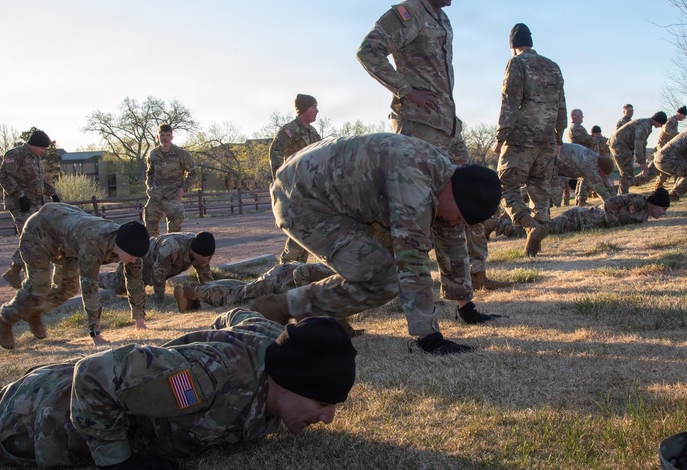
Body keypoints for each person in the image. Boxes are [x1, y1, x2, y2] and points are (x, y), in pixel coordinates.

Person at [0, 309, 356, 470]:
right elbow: (93, 375)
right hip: (48, 418)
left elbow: (239, 317)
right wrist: (116, 460)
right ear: (284, 383)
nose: (329, 418)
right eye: (320, 404)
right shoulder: (206, 380)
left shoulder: (274, 346)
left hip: (53, 387)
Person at [255, 133, 502, 355]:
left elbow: (452, 241)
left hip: (331, 194)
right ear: (452, 196)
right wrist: (429, 337)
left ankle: (310, 289)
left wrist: (466, 307)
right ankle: (285, 306)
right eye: (459, 217)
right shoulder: (414, 185)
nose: (456, 223)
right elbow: (412, 261)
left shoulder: (445, 176)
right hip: (300, 200)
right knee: (384, 278)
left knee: (377, 261)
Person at [356, 0, 503, 290]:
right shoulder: (407, 14)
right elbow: (368, 51)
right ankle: (378, 282)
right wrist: (406, 91)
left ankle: (471, 278)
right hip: (419, 128)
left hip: (448, 127)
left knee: (468, 199)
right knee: (420, 211)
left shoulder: (441, 19)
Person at [0, 203, 151, 350]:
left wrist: (139, 319)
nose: (134, 260)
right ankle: (4, 319)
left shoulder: (132, 246)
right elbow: (89, 289)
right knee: (38, 289)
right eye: (131, 256)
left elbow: (135, 281)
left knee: (68, 289)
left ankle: (33, 310)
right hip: (39, 232)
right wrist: (95, 333)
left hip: (68, 245)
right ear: (120, 246)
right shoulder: (93, 244)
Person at [493, 23, 567, 244]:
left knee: (506, 187)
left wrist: (500, 137)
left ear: (513, 46)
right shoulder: (553, 66)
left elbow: (510, 102)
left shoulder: (516, 63)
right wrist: (559, 138)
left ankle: (529, 226)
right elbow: (561, 106)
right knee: (540, 189)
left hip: (520, 140)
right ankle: (540, 232)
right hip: (547, 140)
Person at [0, 130, 59, 289]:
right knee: (30, 238)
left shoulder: (36, 158)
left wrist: (53, 193)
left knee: (37, 238)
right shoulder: (15, 155)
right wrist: (20, 196)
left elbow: (39, 181)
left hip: (36, 204)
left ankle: (16, 271)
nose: (44, 152)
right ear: (34, 145)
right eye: (42, 148)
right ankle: (25, 276)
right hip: (21, 205)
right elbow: (4, 177)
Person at [268, 94, 322, 264]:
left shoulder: (312, 132)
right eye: (313, 107)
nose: (317, 111)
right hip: (295, 186)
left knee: (308, 229)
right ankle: (286, 267)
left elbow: (321, 155)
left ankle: (296, 268)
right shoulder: (290, 130)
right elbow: (275, 151)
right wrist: (280, 180)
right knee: (301, 227)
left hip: (310, 187)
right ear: (303, 109)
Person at [525, 189, 670, 251]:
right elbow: (610, 203)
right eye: (663, 209)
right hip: (579, 218)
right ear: (654, 204)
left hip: (584, 225)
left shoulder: (644, 215)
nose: (664, 213)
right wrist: (614, 225)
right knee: (545, 228)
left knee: (548, 229)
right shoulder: (639, 201)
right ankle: (515, 226)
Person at [100, 231, 216, 306]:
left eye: (208, 257)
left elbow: (205, 274)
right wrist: (160, 299)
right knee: (119, 287)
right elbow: (158, 272)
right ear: (193, 250)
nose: (205, 260)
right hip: (138, 261)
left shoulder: (202, 250)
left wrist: (211, 293)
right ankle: (95, 278)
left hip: (155, 265)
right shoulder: (172, 248)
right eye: (203, 257)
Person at [174, 261, 334, 312]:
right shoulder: (341, 273)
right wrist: (305, 300)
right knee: (240, 295)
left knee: (245, 288)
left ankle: (198, 287)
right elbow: (301, 271)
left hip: (284, 276)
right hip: (281, 279)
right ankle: (190, 292)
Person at [144, 124, 198, 237]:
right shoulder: (153, 154)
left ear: (172, 137)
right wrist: (149, 187)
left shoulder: (181, 154)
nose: (165, 138)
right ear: (157, 137)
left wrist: (183, 188)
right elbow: (150, 172)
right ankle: (153, 248)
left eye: (168, 135)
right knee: (150, 227)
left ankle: (171, 248)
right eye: (162, 135)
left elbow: (193, 173)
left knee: (174, 230)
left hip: (173, 195)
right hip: (156, 195)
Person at [607, 111, 667, 194]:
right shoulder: (644, 125)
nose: (661, 126)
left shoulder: (647, 125)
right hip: (619, 145)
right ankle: (622, 195)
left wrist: (643, 161)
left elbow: (643, 145)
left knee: (628, 172)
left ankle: (622, 193)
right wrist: (642, 164)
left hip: (622, 145)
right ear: (658, 121)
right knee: (627, 172)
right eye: (661, 124)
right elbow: (638, 145)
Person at [555, 143, 615, 207]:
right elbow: (599, 188)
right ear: (600, 169)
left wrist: (616, 198)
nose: (602, 176)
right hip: (555, 160)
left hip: (561, 163)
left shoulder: (597, 160)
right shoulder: (589, 164)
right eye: (602, 174)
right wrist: (613, 205)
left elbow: (606, 182)